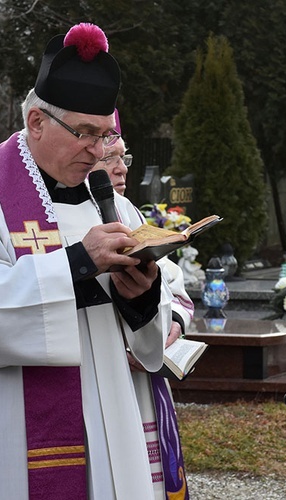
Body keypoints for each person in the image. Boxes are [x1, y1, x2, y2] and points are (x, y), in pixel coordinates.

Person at [0, 23, 182, 499]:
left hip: (109, 429)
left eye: (104, 136)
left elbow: (146, 340)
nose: (98, 151)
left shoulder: (116, 208)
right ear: (37, 122)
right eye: (84, 133)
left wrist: (141, 297)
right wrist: (80, 262)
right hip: (8, 436)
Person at [94, 111, 194, 497]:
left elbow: (177, 292)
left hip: (147, 376)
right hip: (108, 374)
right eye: (110, 158)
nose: (121, 170)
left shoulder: (130, 212)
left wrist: (173, 327)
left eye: (125, 157)